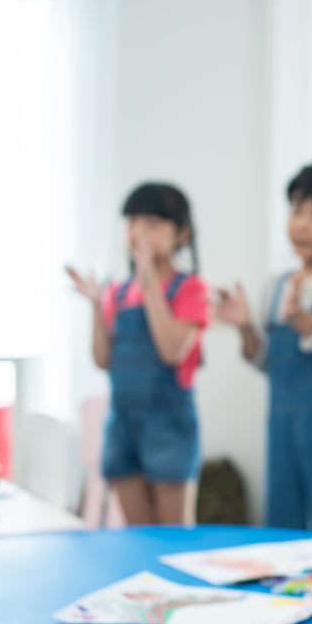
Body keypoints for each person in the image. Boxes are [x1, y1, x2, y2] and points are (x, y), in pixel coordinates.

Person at [215, 158, 312, 540]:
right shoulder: (275, 285)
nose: (302, 223)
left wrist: (304, 320)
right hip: (282, 429)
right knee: (283, 533)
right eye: (297, 210)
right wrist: (245, 328)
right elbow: (267, 360)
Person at [66, 181, 210, 526]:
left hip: (169, 427)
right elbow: (103, 360)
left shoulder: (190, 288)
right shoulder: (115, 292)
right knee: (137, 535)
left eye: (153, 224)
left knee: (174, 537)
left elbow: (172, 350)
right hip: (122, 424)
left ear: (181, 234)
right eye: (132, 222)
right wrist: (94, 306)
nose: (138, 232)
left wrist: (147, 280)